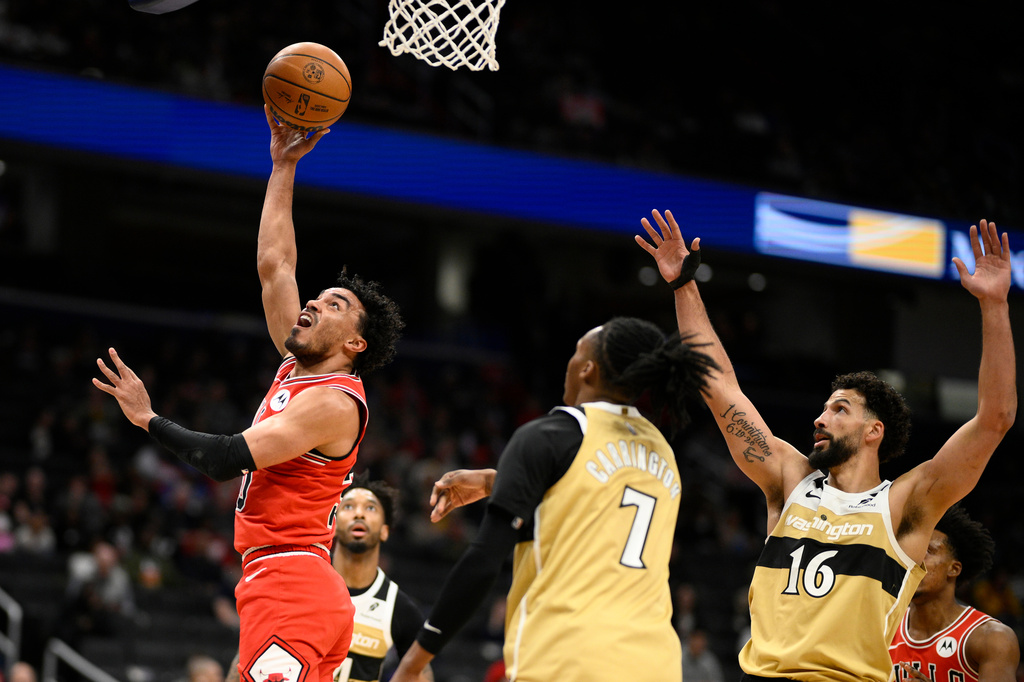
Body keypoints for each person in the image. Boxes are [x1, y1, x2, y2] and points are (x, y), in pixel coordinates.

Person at [635, 211, 1016, 682]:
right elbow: (719, 386)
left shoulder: (904, 504)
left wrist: (994, 305)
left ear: (873, 431)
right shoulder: (789, 480)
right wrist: (683, 285)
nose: (820, 418)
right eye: (822, 408)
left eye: (839, 409)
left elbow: (995, 419)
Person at [92, 106, 404, 682]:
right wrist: (283, 166)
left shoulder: (334, 403)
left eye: (335, 305)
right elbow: (275, 266)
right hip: (287, 582)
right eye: (318, 297)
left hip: (292, 583)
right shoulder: (298, 367)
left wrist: (147, 418)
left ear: (355, 343)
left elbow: (222, 458)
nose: (314, 303)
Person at [391, 316, 718, 682]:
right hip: (656, 664)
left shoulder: (548, 435)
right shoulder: (663, 453)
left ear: (588, 369)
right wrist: (500, 482)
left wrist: (414, 660)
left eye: (577, 351)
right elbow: (587, 518)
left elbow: (482, 562)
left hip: (568, 656)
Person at [225, 474, 431, 682]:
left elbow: (420, 673)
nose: (359, 513)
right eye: (348, 506)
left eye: (370, 508)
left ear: (385, 531)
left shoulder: (397, 605)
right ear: (333, 521)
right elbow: (253, 651)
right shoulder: (299, 579)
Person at [890, 504, 1019, 682]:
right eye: (909, 551)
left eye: (928, 551)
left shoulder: (991, 638)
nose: (914, 559)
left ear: (954, 569)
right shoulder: (881, 628)